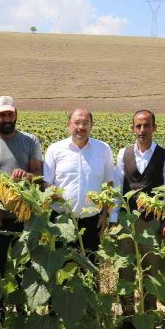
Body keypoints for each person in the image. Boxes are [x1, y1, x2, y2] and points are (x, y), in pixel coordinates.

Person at [110, 109, 165, 329]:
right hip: (127, 222)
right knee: (125, 271)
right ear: (133, 129)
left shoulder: (164, 155)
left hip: (153, 223)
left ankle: (149, 318)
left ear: (154, 128)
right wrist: (113, 220)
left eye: (146, 125)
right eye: (138, 126)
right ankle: (127, 320)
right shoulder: (124, 153)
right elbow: (118, 188)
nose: (142, 130)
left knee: (152, 271)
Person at [0, 96, 43, 275]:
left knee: (25, 264)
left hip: (25, 214)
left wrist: (26, 175)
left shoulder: (30, 141)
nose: (6, 119)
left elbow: (38, 174)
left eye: (10, 115)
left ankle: (21, 303)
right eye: (2, 115)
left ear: (16, 115)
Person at [43, 108, 114, 259]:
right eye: (76, 123)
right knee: (62, 266)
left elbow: (109, 183)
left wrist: (105, 214)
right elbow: (47, 185)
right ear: (68, 125)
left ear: (91, 126)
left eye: (85, 123)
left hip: (92, 219)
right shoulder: (55, 149)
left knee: (90, 266)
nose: (81, 127)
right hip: (62, 220)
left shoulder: (103, 149)